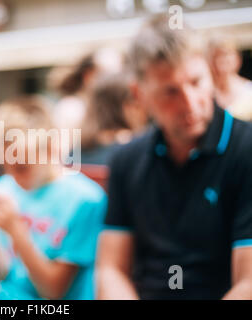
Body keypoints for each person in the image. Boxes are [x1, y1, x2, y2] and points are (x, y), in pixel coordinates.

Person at [97, 15, 252, 300]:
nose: (190, 103)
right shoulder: (125, 159)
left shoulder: (246, 149)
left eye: (196, 81)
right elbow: (111, 269)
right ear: (139, 93)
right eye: (170, 92)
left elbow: (249, 284)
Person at [0, 97, 106, 299]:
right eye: (6, 166)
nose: (13, 175)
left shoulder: (85, 200)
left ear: (50, 147)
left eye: (22, 167)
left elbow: (52, 292)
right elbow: (2, 274)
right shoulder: (6, 187)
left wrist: (15, 229)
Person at [77, 72, 149, 165]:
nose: (144, 108)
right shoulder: (138, 151)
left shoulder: (77, 151)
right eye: (137, 101)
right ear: (127, 106)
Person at [207, 35, 252, 121]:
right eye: (215, 56)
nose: (220, 62)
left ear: (237, 58)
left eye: (225, 55)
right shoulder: (204, 94)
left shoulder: (249, 91)